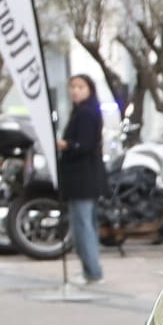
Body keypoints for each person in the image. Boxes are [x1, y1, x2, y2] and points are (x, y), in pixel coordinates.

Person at [56, 73, 108, 283]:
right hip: (84, 179)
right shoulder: (81, 111)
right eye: (72, 87)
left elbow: (84, 144)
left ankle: (93, 272)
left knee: (83, 227)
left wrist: (65, 145)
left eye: (80, 87)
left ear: (89, 90)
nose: (75, 91)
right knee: (85, 226)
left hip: (83, 179)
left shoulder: (86, 113)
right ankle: (90, 270)